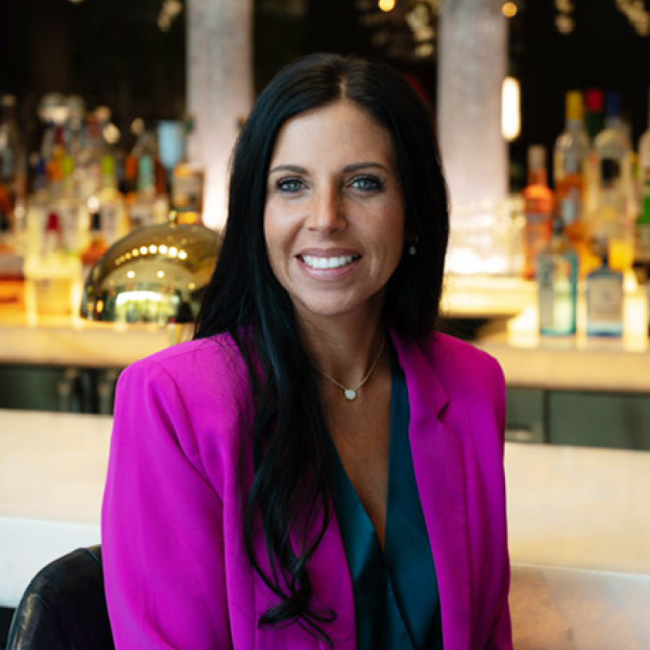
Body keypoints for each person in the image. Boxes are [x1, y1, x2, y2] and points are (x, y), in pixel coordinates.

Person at [102, 53, 513, 650]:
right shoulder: (172, 401)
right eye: (291, 185)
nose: (325, 219)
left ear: (415, 212)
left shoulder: (474, 385)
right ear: (256, 213)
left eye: (363, 183)